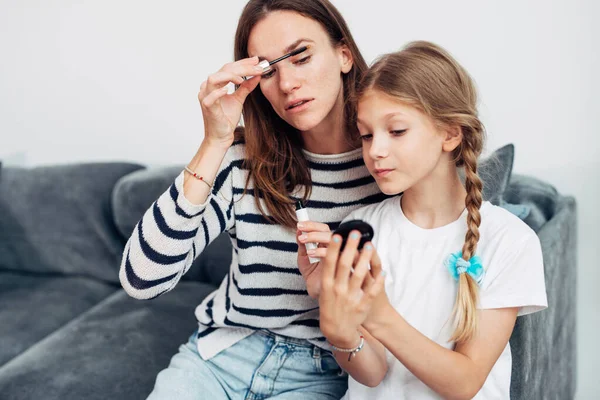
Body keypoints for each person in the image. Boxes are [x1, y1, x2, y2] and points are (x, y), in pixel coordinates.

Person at [118, 0, 388, 398]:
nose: (287, 84)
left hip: (325, 371)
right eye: (268, 70)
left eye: (300, 56)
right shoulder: (241, 162)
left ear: (344, 54)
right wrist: (215, 141)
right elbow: (141, 280)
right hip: (220, 358)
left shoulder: (388, 165)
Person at [301, 41, 548, 399]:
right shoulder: (362, 228)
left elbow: (464, 383)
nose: (375, 151)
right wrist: (340, 330)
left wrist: (380, 314)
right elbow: (372, 374)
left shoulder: (510, 241)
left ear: (450, 133)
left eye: (396, 131)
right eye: (367, 135)